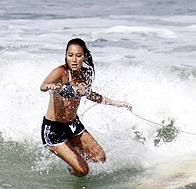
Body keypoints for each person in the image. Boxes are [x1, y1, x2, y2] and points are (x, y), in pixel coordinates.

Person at [40, 38, 132, 176]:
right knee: (83, 170)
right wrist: (50, 86)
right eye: (70, 55)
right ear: (66, 55)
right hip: (53, 130)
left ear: (85, 56)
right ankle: (73, 168)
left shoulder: (85, 74)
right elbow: (43, 86)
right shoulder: (60, 72)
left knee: (100, 158)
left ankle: (71, 153)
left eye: (78, 56)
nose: (74, 60)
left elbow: (92, 95)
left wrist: (117, 103)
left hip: (73, 125)